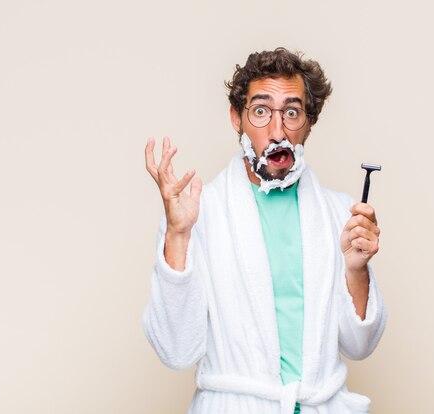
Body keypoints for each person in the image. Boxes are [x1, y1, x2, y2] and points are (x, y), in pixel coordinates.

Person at [143, 47, 386, 414]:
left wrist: (356, 269)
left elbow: (360, 345)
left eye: (292, 112)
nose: (277, 131)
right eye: (260, 111)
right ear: (236, 119)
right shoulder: (198, 215)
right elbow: (176, 350)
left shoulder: (340, 213)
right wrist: (177, 235)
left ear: (309, 122)